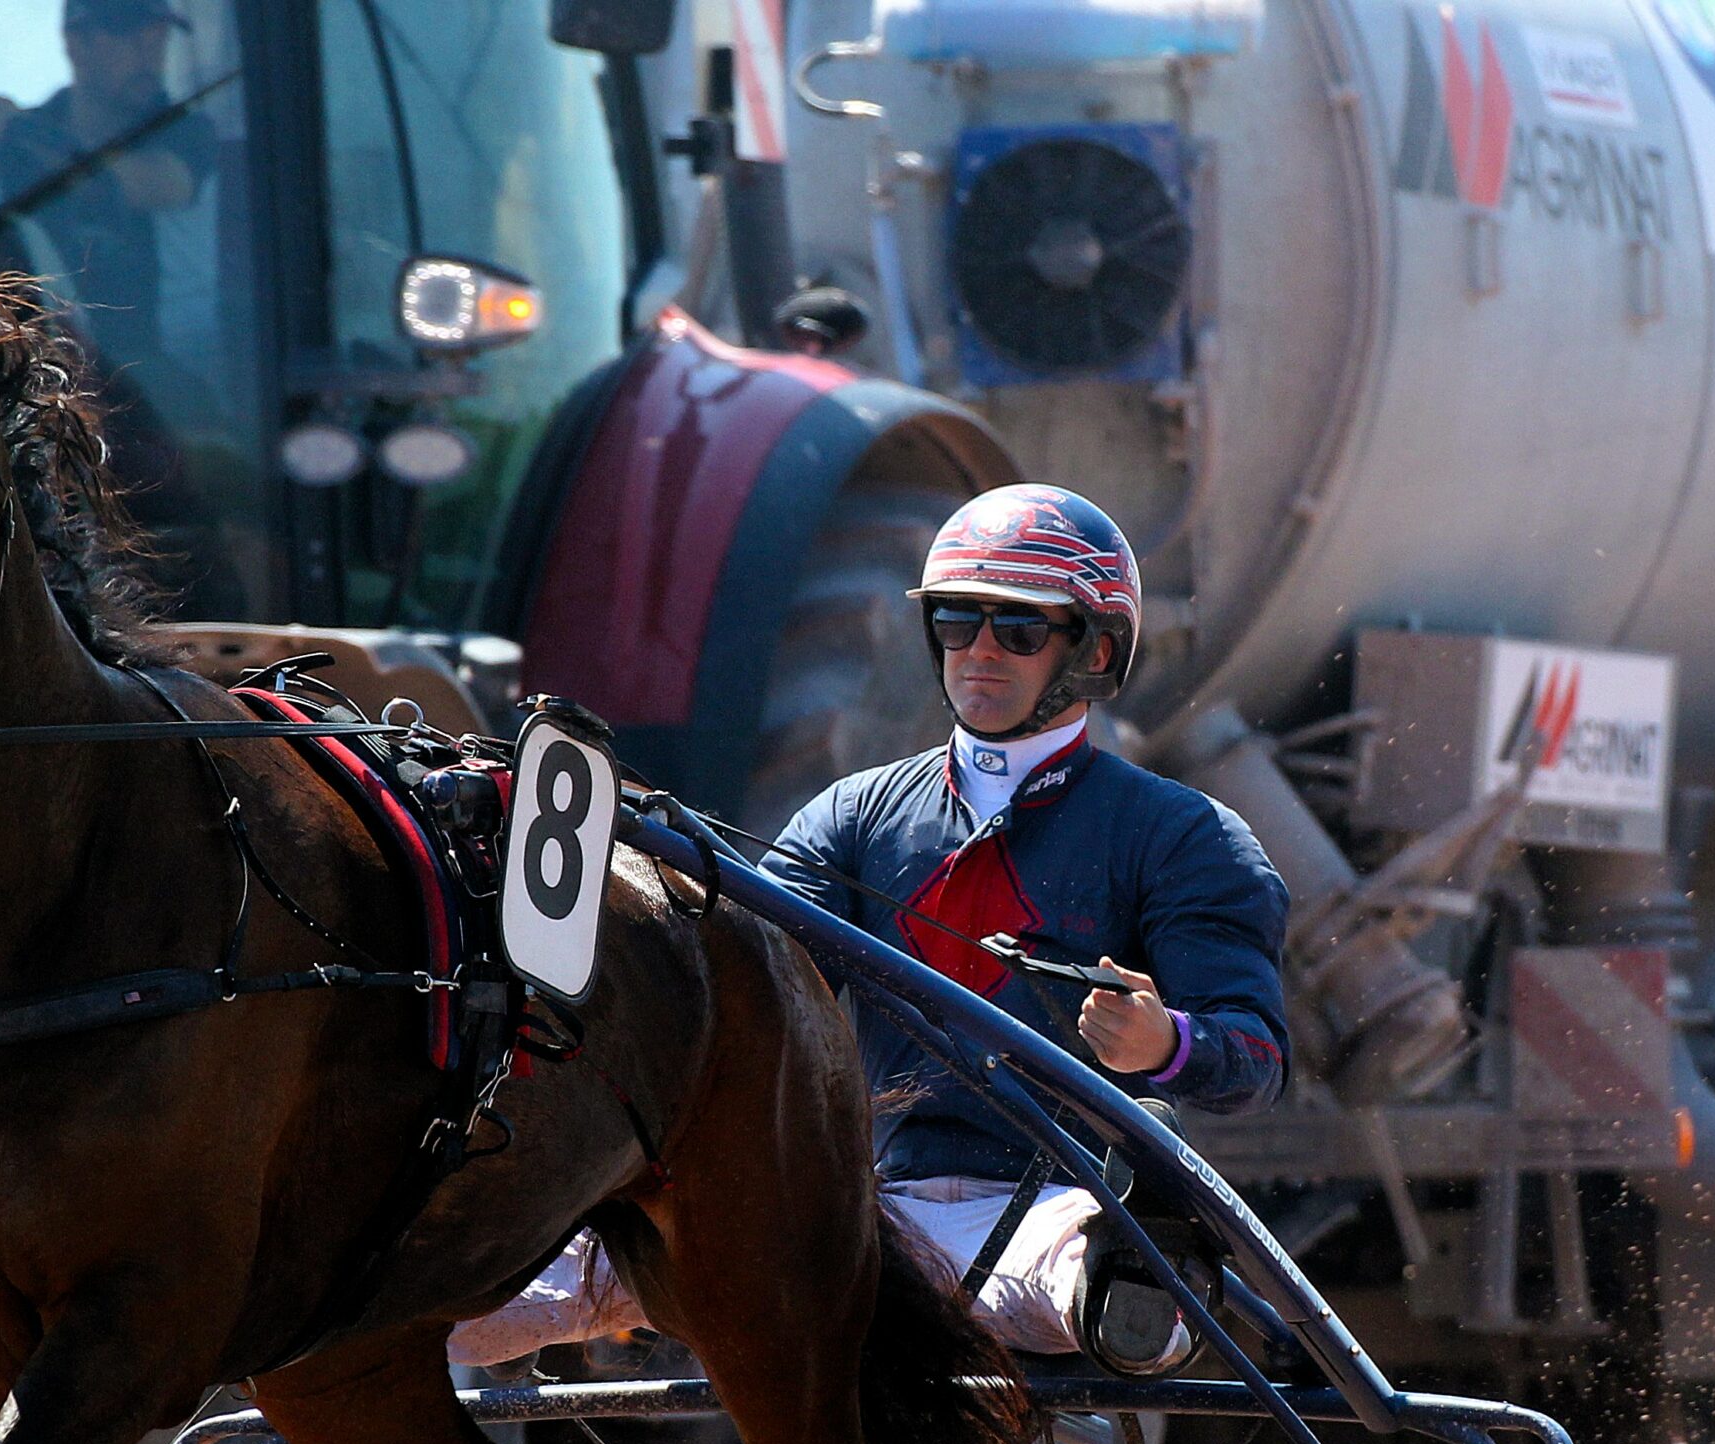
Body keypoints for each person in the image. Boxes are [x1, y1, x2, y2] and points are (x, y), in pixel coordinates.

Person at [453, 483, 1292, 1369]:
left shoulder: (1184, 835)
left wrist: (1166, 1042)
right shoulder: (852, 816)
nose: (979, 650)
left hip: (1060, 1214)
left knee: (1117, 1292)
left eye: (1018, 628)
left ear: (1096, 650)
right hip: (856, 1212)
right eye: (957, 621)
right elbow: (737, 992)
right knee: (479, 1296)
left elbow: (1258, 1058)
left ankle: (1129, 1295)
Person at [0, 0, 218, 370]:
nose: (148, 51)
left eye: (157, 36)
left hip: (166, 370)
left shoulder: (186, 132)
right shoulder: (8, 152)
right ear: (76, 44)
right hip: (38, 364)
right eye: (126, 33)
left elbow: (159, 184)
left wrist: (23, 130)